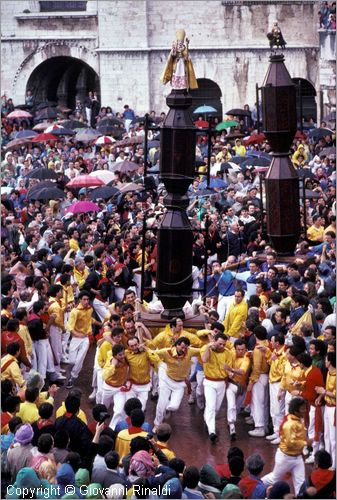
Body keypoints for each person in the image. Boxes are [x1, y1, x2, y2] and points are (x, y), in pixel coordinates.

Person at [146, 337, 200, 429]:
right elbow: (153, 353)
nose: (184, 350)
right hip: (166, 379)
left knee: (174, 407)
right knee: (161, 403)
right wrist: (145, 349)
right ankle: (157, 424)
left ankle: (167, 406)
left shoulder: (190, 351)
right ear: (176, 345)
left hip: (180, 383)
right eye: (182, 347)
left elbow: (202, 350)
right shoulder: (166, 351)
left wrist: (212, 344)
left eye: (185, 348)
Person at [262, 397, 311, 496]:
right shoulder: (289, 424)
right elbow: (290, 443)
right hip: (285, 458)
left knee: (300, 484)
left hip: (297, 457)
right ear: (296, 411)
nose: (305, 410)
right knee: (274, 479)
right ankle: (257, 485)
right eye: (302, 409)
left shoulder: (297, 419)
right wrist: (305, 443)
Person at [201, 332, 233, 442]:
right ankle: (212, 431)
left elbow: (229, 368)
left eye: (224, 344)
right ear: (214, 341)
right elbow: (204, 360)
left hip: (221, 383)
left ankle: (207, 420)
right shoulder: (206, 348)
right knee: (210, 406)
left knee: (216, 408)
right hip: (209, 382)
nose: (222, 346)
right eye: (220, 344)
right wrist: (208, 347)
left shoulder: (228, 353)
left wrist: (230, 372)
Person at [66, 290, 96, 389]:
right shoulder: (75, 312)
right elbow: (70, 327)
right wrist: (78, 335)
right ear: (80, 300)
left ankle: (73, 378)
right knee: (72, 361)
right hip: (76, 338)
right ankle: (71, 372)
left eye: (88, 299)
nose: (86, 301)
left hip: (86, 338)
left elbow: (90, 320)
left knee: (80, 359)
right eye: (84, 299)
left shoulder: (90, 309)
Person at [247, 326, 271, 437]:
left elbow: (256, 368)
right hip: (266, 376)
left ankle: (259, 427)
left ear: (255, 335)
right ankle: (264, 425)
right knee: (264, 403)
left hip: (259, 377)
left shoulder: (257, 349)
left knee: (258, 403)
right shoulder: (267, 345)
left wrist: (251, 381)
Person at [225, 338, 251, 440]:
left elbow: (242, 371)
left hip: (242, 387)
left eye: (242, 349)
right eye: (238, 349)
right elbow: (225, 366)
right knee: (231, 406)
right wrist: (228, 373)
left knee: (237, 408)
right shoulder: (231, 353)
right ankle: (232, 426)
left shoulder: (246, 358)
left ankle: (230, 421)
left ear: (246, 349)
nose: (240, 351)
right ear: (235, 349)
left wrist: (231, 370)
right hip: (231, 385)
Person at [315, 352, 336, 469]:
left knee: (333, 438)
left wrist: (323, 392)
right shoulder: (329, 373)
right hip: (328, 406)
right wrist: (321, 396)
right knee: (327, 435)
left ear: (330, 362)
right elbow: (326, 390)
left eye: (326, 360)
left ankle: (334, 463)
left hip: (334, 408)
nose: (325, 362)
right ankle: (328, 461)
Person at [102, 343, 129, 430]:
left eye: (123, 353)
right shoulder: (110, 361)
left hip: (119, 389)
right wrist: (113, 365)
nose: (122, 356)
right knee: (104, 408)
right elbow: (104, 376)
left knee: (118, 410)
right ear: (114, 355)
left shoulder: (126, 358)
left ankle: (111, 428)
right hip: (108, 388)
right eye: (120, 355)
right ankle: (100, 424)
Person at [266, 333, 286, 445]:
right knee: (273, 409)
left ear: (277, 343)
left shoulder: (283, 355)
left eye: (272, 341)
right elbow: (270, 363)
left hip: (279, 383)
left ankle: (280, 434)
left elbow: (282, 372)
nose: (270, 343)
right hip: (272, 382)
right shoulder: (275, 352)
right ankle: (276, 431)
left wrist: (275, 360)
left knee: (279, 410)